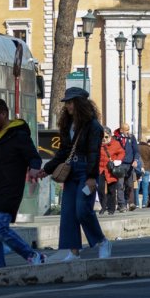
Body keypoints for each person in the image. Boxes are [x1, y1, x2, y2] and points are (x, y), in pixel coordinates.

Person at [41, 87, 112, 261]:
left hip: (85, 170)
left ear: (80, 103)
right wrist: (47, 169)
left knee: (82, 210)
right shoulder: (67, 124)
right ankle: (73, 251)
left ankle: (102, 242)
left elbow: (93, 153)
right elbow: (63, 151)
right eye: (67, 103)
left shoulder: (93, 126)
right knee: (68, 212)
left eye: (71, 102)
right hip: (71, 171)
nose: (68, 106)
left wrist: (91, 177)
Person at [0, 98, 46, 268]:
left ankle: (32, 255)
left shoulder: (19, 135)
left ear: (3, 114)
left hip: (9, 189)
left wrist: (33, 168)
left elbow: (33, 156)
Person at [99, 127, 125, 216]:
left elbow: (122, 152)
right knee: (100, 189)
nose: (104, 139)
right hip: (100, 169)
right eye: (102, 137)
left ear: (110, 136)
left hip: (111, 170)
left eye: (106, 137)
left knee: (112, 190)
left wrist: (118, 160)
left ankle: (111, 209)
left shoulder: (115, 144)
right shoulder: (97, 144)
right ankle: (103, 207)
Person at [112, 123, 138, 211]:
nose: (128, 131)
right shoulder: (116, 138)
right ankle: (121, 204)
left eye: (128, 129)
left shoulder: (131, 137)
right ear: (121, 130)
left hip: (130, 164)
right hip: (120, 164)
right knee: (120, 184)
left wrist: (135, 160)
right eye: (126, 130)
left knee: (129, 185)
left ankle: (128, 201)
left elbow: (136, 150)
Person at [138, 138, 150, 207]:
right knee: (145, 187)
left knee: (137, 187)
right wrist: (149, 166)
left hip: (138, 169)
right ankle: (144, 203)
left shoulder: (137, 147)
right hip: (147, 169)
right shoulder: (149, 149)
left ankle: (137, 204)